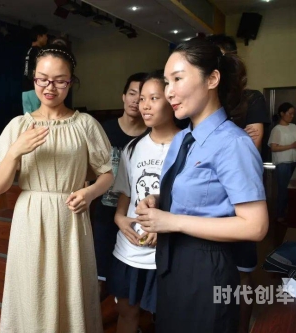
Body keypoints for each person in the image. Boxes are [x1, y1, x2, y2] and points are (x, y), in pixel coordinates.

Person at [136, 38, 269, 333]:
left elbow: (255, 226)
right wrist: (157, 200)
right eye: (166, 81)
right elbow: (188, 193)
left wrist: (172, 221)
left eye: (178, 79)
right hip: (172, 262)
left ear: (212, 79)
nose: (169, 91)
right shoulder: (184, 138)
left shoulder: (233, 143)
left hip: (207, 270)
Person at [0, 44, 114, 332]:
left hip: (71, 215)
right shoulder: (18, 125)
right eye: (42, 79)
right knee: (33, 289)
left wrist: (90, 192)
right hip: (31, 216)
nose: (50, 87)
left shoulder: (85, 124)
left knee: (72, 288)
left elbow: (107, 175)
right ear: (33, 78)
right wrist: (15, 152)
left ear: (71, 82)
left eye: (60, 80)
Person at [207, 33, 271, 333]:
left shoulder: (252, 99)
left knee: (242, 276)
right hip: (207, 205)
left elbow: (251, 144)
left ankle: (242, 327)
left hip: (240, 201)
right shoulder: (200, 104)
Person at [109, 70, 181, 333]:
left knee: (166, 318)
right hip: (130, 249)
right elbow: (126, 191)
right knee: (126, 313)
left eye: (154, 98)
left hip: (168, 251)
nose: (145, 106)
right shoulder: (133, 148)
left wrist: (164, 226)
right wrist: (119, 218)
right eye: (141, 99)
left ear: (172, 101)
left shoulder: (187, 146)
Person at [92, 72, 148, 301]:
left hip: (137, 218)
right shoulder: (102, 131)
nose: (136, 100)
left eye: (143, 97)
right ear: (123, 97)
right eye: (132, 94)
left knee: (132, 282)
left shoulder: (151, 136)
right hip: (104, 215)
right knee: (99, 278)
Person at [268, 102, 296, 224]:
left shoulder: (293, 126)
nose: (292, 115)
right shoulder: (276, 129)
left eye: (293, 113)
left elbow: (295, 144)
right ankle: (280, 215)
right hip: (283, 162)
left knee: (293, 190)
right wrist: (292, 146)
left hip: (294, 161)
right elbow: (274, 148)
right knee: (283, 189)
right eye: (290, 113)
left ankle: (291, 214)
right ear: (282, 114)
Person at [22, 25, 48, 114]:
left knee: (28, 119)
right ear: (39, 37)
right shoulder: (40, 52)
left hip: (25, 90)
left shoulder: (28, 51)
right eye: (45, 36)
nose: (46, 38)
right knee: (39, 118)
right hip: (35, 89)